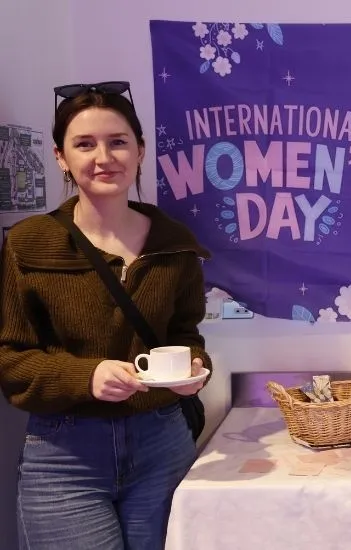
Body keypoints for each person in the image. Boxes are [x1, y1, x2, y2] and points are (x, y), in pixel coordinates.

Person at [0, 81, 212, 550]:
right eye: (84, 144)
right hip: (64, 455)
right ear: (61, 157)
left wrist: (195, 368)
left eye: (117, 142)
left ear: (139, 149)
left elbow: (185, 333)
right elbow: (10, 359)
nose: (104, 157)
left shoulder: (172, 241)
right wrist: (86, 376)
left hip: (162, 442)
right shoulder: (30, 243)